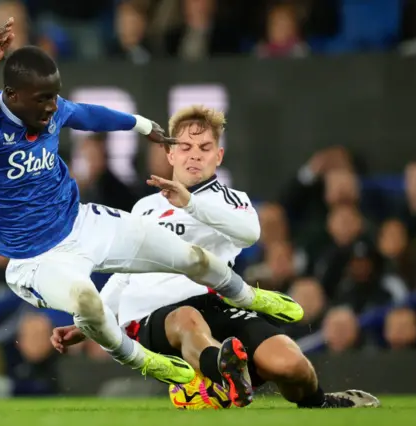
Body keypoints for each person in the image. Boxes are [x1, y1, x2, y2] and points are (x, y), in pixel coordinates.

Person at [0, 18, 302, 386]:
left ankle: (248, 296)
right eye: (43, 99)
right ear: (13, 96)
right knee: (87, 303)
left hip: (83, 223)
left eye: (54, 95)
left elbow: (88, 114)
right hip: (36, 258)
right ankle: (142, 359)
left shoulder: (50, 108)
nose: (52, 107)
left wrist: (142, 125)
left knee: (190, 256)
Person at [50, 105, 380, 409]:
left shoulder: (232, 201)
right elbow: (125, 274)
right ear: (169, 152)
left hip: (216, 307)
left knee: (290, 364)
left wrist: (190, 204)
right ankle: (224, 376)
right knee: (186, 319)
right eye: (185, 147)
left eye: (204, 148)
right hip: (152, 317)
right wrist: (90, 323)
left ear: (218, 156)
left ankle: (318, 404)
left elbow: (249, 233)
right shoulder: (144, 207)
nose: (195, 156)